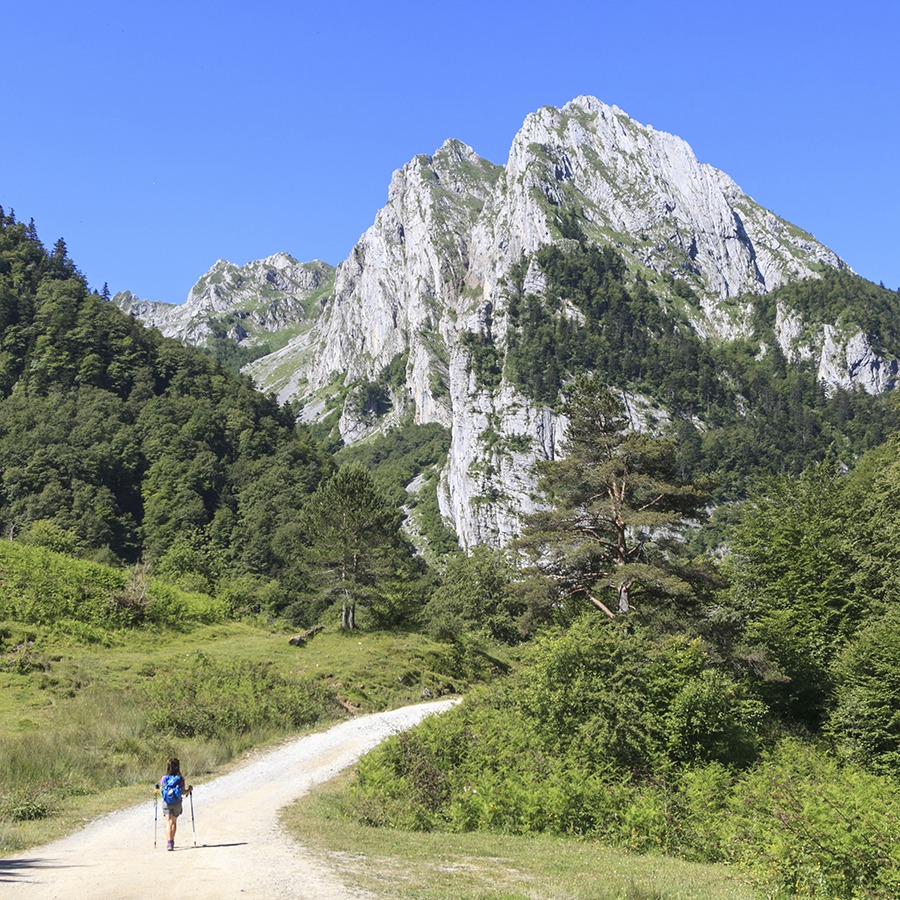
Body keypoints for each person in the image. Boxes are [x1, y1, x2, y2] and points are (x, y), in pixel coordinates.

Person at [159, 757, 192, 851]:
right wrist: (189, 790)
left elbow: (161, 791)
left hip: (167, 802)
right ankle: (172, 841)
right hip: (177, 802)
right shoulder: (180, 779)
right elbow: (183, 792)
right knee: (173, 822)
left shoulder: (164, 779)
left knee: (168, 822)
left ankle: (169, 843)